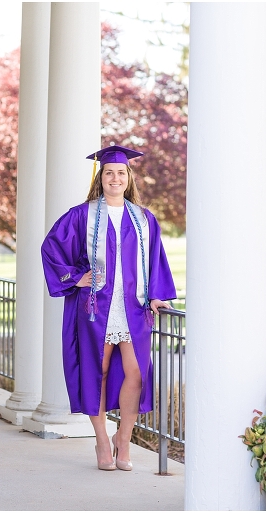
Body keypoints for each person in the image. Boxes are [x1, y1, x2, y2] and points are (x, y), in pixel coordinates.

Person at [41, 145, 176, 471]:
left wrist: (156, 295)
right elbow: (51, 248)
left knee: (137, 374)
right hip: (94, 308)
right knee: (96, 372)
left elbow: (155, 260)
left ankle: (123, 439)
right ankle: (102, 440)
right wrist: (76, 277)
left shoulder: (144, 218)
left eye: (121, 173)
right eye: (109, 173)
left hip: (133, 308)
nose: (115, 178)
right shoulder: (81, 215)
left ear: (129, 178)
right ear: (100, 178)